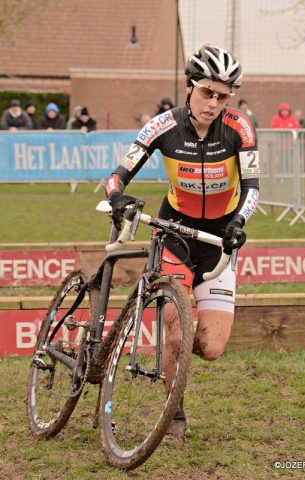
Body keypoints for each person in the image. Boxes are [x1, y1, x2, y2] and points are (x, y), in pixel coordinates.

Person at [105, 44, 260, 442]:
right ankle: (174, 414)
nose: (214, 103)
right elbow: (117, 175)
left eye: (222, 96)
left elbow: (253, 187)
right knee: (174, 335)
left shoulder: (240, 128)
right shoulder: (162, 126)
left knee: (209, 347)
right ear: (190, 85)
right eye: (207, 92)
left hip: (219, 240)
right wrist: (118, 195)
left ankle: (178, 344)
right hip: (174, 234)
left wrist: (239, 221)